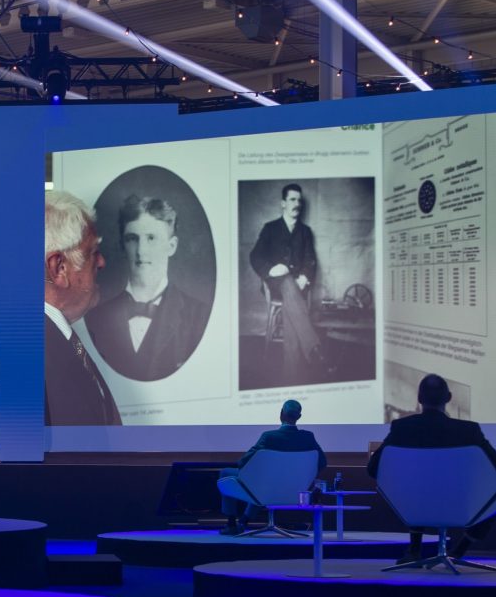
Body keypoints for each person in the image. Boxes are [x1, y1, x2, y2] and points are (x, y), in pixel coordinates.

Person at [368, 374, 496, 563]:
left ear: (419, 399)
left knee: (418, 485)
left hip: (412, 505)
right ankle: (459, 550)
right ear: (449, 398)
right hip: (462, 505)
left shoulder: (402, 428)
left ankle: (414, 549)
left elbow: (373, 468)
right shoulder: (468, 430)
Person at [86, 195, 211, 381]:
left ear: (171, 246)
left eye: (151, 238)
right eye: (132, 239)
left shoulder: (200, 317)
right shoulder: (95, 318)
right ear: (122, 245)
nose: (141, 251)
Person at [44, 190, 122, 426]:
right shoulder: (38, 351)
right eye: (92, 253)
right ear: (59, 268)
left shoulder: (58, 337)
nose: (102, 262)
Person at [218, 399, 326, 535]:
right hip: (295, 489)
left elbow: (244, 462)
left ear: (281, 414)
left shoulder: (269, 437)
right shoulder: (308, 437)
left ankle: (231, 524)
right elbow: (322, 462)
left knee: (227, 473)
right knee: (260, 481)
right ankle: (243, 521)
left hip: (265, 485)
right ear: (299, 417)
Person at [248, 183, 324, 372]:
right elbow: (255, 256)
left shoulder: (305, 232)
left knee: (292, 298)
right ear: (283, 203)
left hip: (298, 286)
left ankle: (291, 369)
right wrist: (270, 270)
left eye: (299, 200)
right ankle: (314, 348)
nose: (296, 204)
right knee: (289, 285)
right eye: (292, 200)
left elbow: (311, 260)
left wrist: (305, 277)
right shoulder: (270, 228)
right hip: (275, 284)